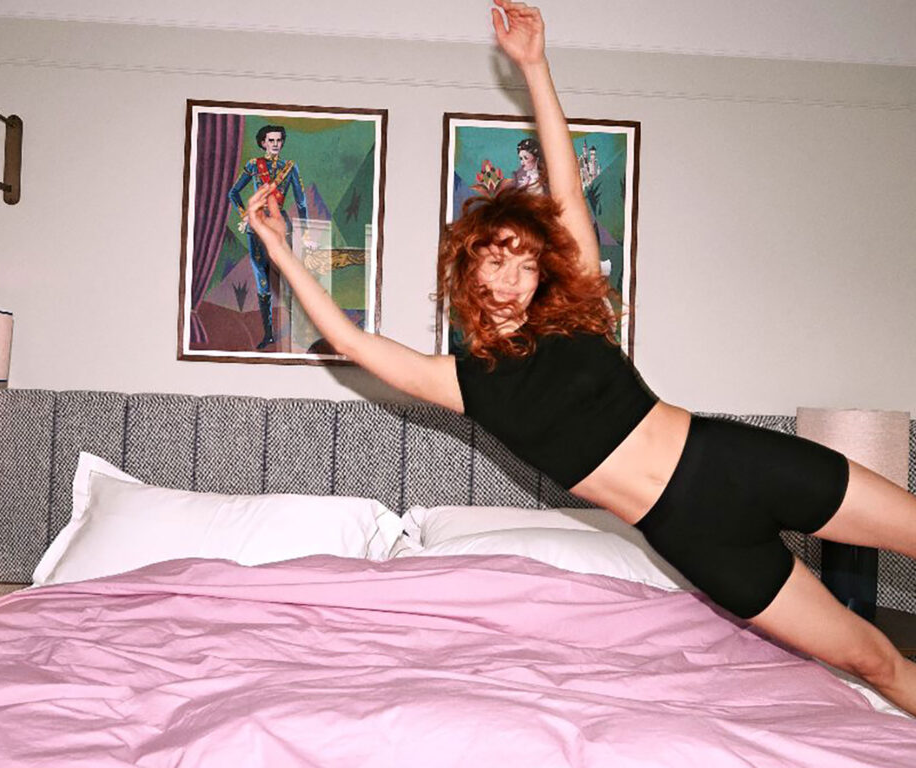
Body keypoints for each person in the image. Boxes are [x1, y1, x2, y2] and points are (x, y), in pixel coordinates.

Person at [244, 0, 916, 715]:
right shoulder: (466, 383)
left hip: (740, 461)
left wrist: (535, 66)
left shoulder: (582, 316)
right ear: (468, 272)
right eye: (495, 261)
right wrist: (281, 249)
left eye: (525, 263)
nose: (511, 278)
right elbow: (352, 343)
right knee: (872, 659)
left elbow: (566, 191)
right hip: (696, 538)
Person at [229, 124, 309, 349]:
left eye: (278, 140)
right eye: (270, 140)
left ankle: (297, 334)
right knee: (263, 282)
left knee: (289, 280)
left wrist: (305, 233)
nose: (275, 144)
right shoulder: (253, 165)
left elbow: (301, 202)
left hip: (281, 229)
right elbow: (233, 193)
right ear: (263, 142)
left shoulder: (290, 167)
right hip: (256, 229)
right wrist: (245, 215)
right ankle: (269, 335)